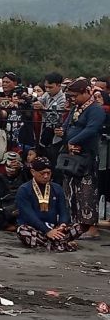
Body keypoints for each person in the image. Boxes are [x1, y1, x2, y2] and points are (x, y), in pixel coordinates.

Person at [59, 78, 104, 240]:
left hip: (87, 155)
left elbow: (92, 129)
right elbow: (67, 125)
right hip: (72, 154)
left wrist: (73, 141)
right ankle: (74, 223)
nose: (73, 99)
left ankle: (91, 227)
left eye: (75, 95)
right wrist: (64, 134)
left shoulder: (95, 110)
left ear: (86, 92)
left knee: (87, 190)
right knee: (70, 189)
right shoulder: (76, 108)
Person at [16, 157, 86, 251]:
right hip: (35, 228)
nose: (46, 176)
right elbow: (29, 216)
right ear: (33, 172)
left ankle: (52, 244)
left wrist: (62, 224)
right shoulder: (24, 189)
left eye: (48, 173)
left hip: (54, 228)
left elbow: (63, 210)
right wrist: (47, 231)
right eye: (42, 173)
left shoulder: (57, 188)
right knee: (22, 230)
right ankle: (59, 244)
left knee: (79, 226)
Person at [0, 151, 26, 231]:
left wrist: (21, 169)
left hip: (19, 207)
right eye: (8, 166)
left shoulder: (22, 175)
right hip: (6, 208)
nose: (10, 169)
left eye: (13, 167)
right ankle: (9, 226)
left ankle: (5, 225)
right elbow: (2, 195)